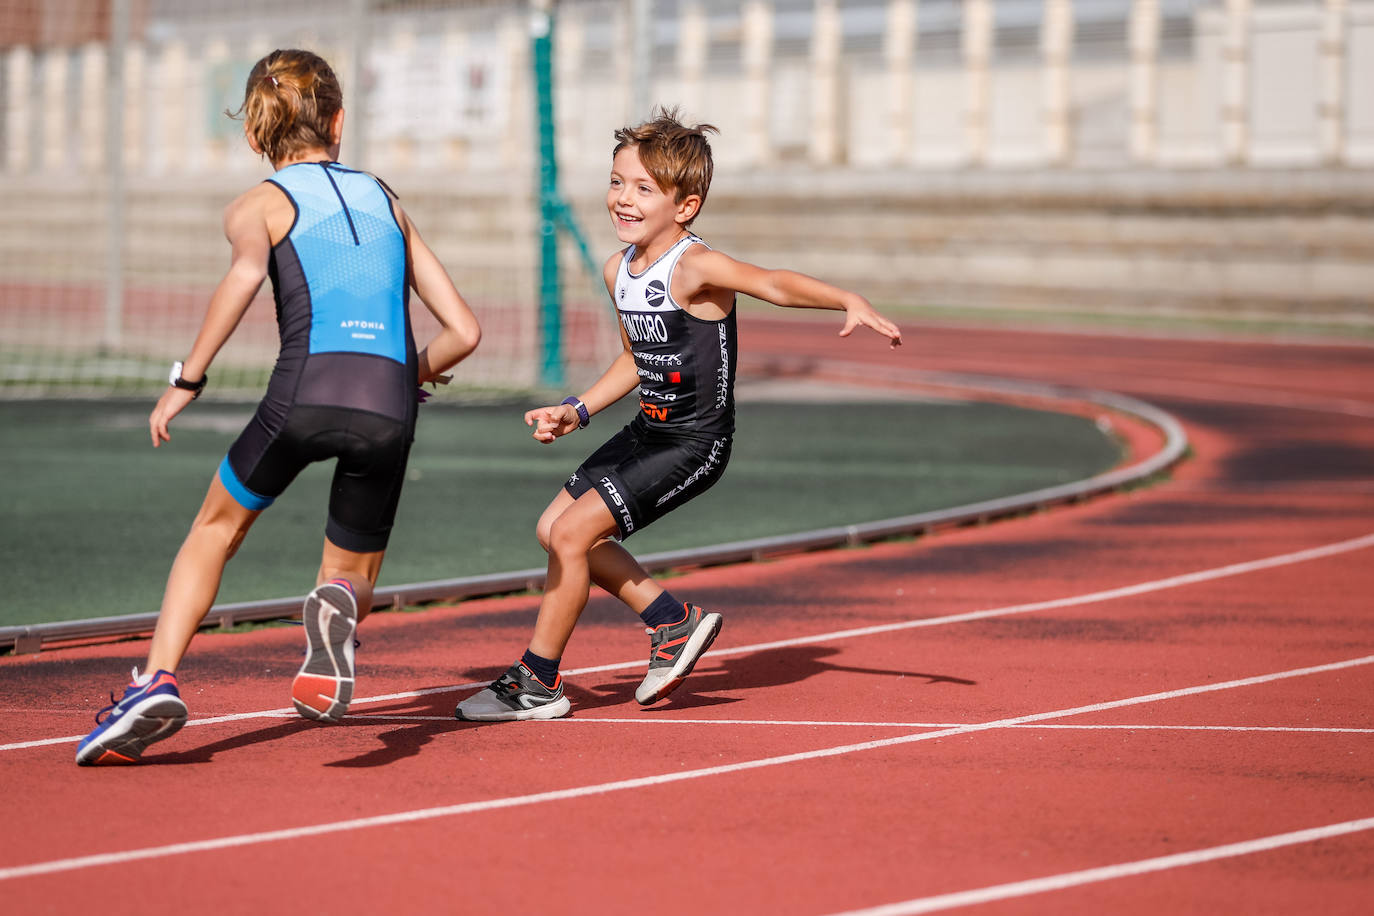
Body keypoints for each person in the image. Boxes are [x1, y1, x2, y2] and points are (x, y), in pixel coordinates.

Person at [76, 49, 481, 765]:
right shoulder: (387, 198)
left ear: (255, 134)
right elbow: (466, 332)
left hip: (301, 394)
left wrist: (186, 380)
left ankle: (158, 679)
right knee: (348, 569)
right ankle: (336, 620)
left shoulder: (257, 204)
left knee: (215, 529)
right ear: (339, 121)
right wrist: (406, 376)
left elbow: (240, 282)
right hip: (389, 403)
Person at [455, 108, 901, 721]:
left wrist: (845, 298)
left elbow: (771, 282)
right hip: (648, 431)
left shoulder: (696, 266)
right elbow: (636, 358)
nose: (623, 198)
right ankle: (671, 622)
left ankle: (537, 681)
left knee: (570, 534)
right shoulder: (619, 269)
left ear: (684, 206)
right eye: (616, 182)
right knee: (553, 528)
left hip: (695, 444)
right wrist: (576, 410)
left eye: (643, 188)